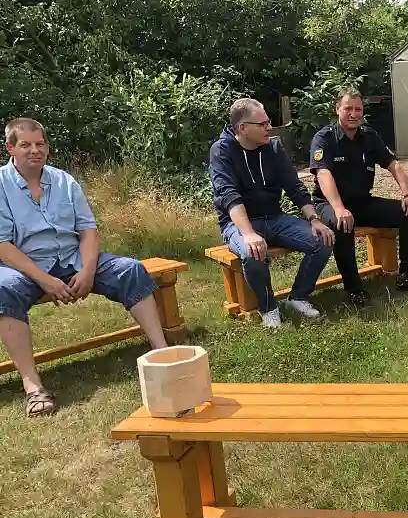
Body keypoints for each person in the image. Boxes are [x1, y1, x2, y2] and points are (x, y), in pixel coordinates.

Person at [0, 118, 169, 417]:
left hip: (72, 258)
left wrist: (88, 271)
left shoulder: (64, 181)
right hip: (25, 267)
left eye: (40, 144)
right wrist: (45, 280)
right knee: (3, 289)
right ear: (10, 148)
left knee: (130, 269)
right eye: (25, 145)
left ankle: (163, 354)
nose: (35, 150)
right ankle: (33, 386)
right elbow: (3, 246)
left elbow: (88, 230)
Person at [209, 98, 334, 327]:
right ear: (243, 128)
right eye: (263, 124)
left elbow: (294, 186)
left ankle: (298, 297)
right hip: (238, 224)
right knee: (252, 252)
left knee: (322, 239)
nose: (269, 128)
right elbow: (228, 195)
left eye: (269, 122)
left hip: (274, 218)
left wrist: (314, 219)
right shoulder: (222, 150)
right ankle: (268, 308)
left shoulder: (273, 148)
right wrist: (248, 233)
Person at [310, 89, 408, 306]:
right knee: (343, 224)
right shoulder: (324, 138)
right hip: (328, 204)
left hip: (362, 202)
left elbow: (394, 165)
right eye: (348, 109)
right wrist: (339, 208)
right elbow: (323, 174)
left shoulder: (369, 137)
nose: (353, 114)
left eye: (358, 109)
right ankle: (354, 288)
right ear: (337, 110)